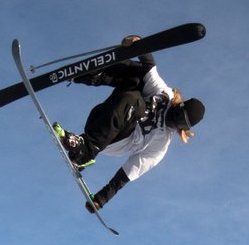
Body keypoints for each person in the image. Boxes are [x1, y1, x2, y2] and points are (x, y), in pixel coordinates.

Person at [53, 36, 205, 213]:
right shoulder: (164, 94)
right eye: (178, 115)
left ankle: (86, 150)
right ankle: (92, 74)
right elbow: (150, 68)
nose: (175, 122)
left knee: (133, 101)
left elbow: (129, 171)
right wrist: (138, 43)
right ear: (179, 106)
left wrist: (102, 198)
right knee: (139, 74)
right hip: (101, 117)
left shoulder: (160, 145)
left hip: (111, 139)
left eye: (180, 124)